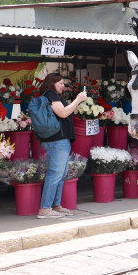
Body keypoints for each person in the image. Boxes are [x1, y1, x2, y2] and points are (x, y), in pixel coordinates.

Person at [36, 73, 87, 219]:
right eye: (61, 83)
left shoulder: (52, 95)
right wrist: (77, 100)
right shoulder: (50, 94)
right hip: (56, 141)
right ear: (52, 83)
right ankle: (45, 209)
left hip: (59, 140)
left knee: (61, 173)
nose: (63, 86)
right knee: (55, 173)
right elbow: (63, 113)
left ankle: (55, 206)